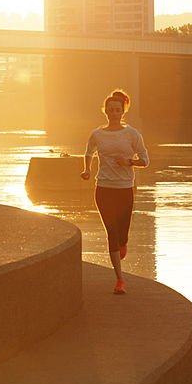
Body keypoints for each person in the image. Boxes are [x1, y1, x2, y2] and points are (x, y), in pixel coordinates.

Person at [81, 88, 149, 294]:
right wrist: (86, 170)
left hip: (125, 189)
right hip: (103, 189)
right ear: (105, 111)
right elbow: (88, 152)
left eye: (117, 110)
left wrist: (128, 161)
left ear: (122, 111)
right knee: (111, 231)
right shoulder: (97, 134)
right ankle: (119, 280)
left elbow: (145, 160)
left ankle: (123, 243)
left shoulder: (132, 134)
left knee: (122, 235)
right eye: (110, 110)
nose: (113, 113)